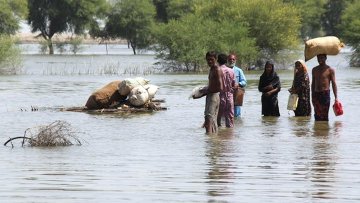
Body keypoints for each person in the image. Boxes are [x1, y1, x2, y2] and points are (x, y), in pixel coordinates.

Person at [198, 51, 224, 134]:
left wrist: (207, 91)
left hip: (214, 96)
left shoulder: (217, 69)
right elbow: (212, 85)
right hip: (211, 95)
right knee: (211, 119)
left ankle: (209, 139)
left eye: (211, 59)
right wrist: (202, 92)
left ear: (216, 59)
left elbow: (220, 87)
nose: (209, 61)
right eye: (208, 60)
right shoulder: (212, 69)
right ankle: (213, 142)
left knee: (209, 119)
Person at [311, 54, 338, 121]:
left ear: (325, 58)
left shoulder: (330, 70)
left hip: (325, 94)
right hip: (316, 94)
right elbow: (313, 83)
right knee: (317, 115)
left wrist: (336, 97)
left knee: (325, 115)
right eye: (318, 58)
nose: (320, 59)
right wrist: (312, 95)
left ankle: (324, 130)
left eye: (322, 58)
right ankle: (317, 130)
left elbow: (334, 84)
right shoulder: (314, 69)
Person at [217, 53, 235, 128]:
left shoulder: (217, 70)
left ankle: (219, 134)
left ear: (217, 61)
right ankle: (229, 135)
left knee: (218, 117)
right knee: (230, 117)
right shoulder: (231, 71)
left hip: (220, 96)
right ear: (226, 61)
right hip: (230, 97)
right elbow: (234, 84)